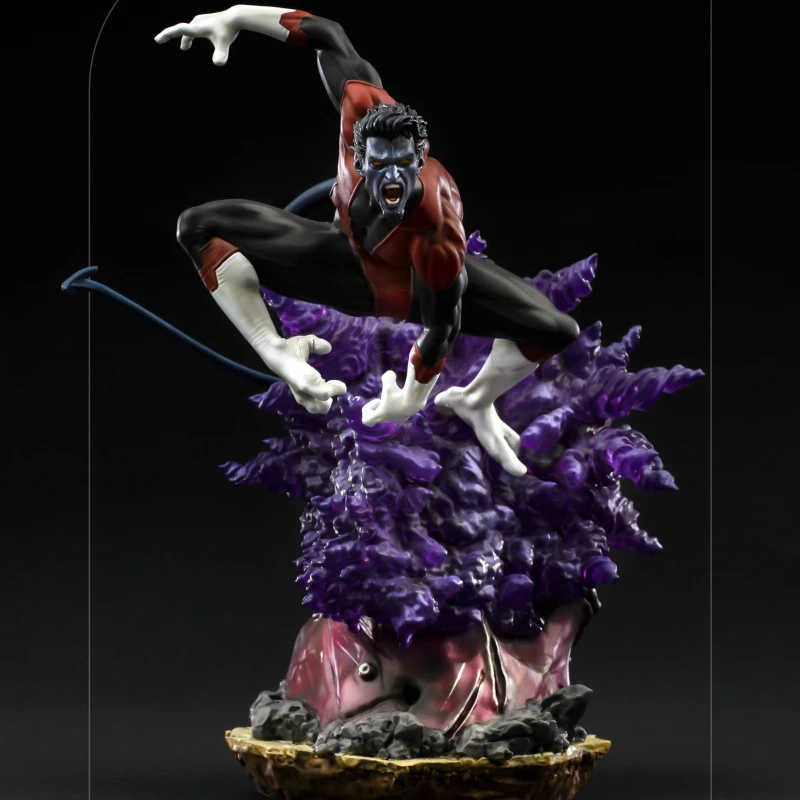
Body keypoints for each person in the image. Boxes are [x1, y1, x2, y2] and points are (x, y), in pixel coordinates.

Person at [155, 5, 580, 476]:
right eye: (380, 164)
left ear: (420, 156)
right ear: (358, 152)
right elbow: (327, 34)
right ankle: (274, 347)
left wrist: (411, 401)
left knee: (554, 329)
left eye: (404, 164)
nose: (392, 176)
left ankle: (475, 399)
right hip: (340, 252)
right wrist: (236, 16)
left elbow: (441, 327)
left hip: (397, 288)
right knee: (198, 225)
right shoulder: (362, 107)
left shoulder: (435, 227)